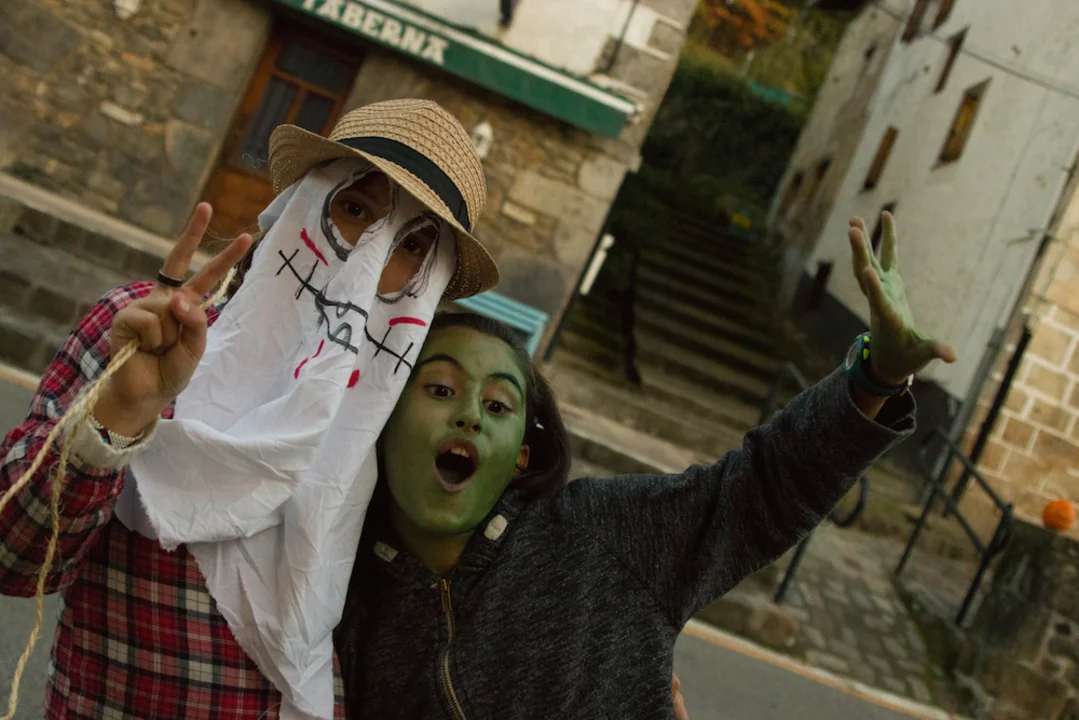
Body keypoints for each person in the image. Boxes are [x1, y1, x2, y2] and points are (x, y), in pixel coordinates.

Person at [329, 215, 954, 717]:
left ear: (522, 455)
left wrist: (875, 376)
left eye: (498, 405)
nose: (469, 415)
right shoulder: (332, 600)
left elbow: (762, 488)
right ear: (384, 417)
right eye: (440, 390)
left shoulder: (603, 534)